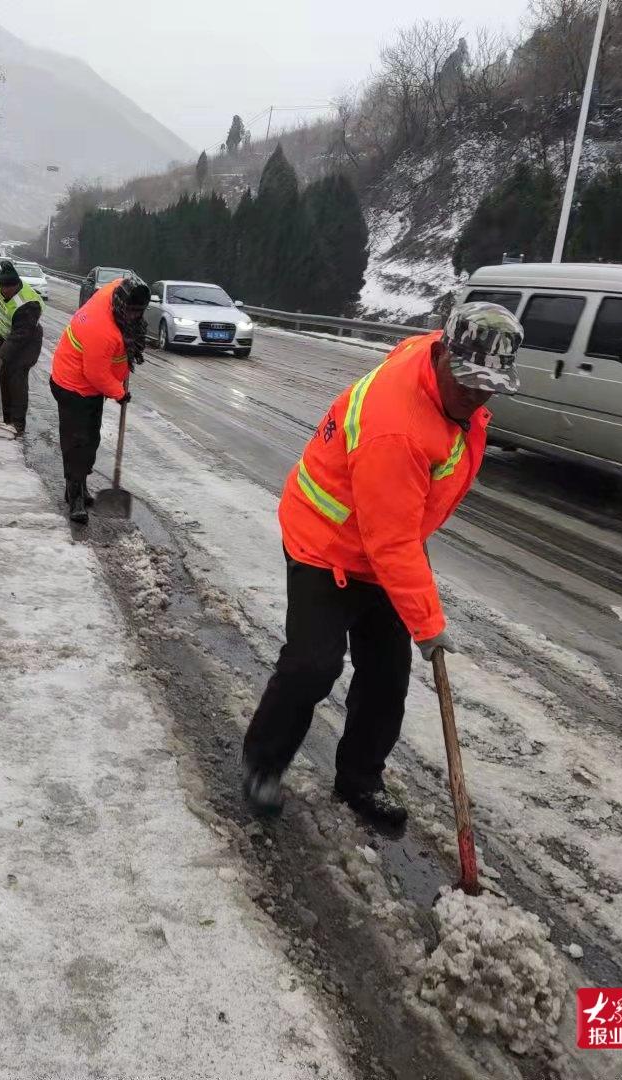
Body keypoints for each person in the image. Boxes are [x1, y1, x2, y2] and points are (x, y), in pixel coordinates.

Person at [241, 302, 524, 826]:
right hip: (323, 542)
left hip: (382, 538)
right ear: (442, 354)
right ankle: (262, 766)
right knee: (313, 664)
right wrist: (429, 625)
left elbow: (395, 534)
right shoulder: (398, 426)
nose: (476, 396)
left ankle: (359, 782)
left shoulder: (437, 362)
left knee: (387, 675)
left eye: (489, 387)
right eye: (466, 383)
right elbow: (391, 542)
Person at [49, 274, 149, 523]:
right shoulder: (101, 329)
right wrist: (119, 393)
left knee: (91, 439)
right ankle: (75, 498)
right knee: (76, 442)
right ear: (120, 305)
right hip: (72, 384)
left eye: (140, 313)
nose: (135, 317)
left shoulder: (119, 290)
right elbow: (95, 372)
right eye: (132, 312)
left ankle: (80, 487)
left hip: (92, 388)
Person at [0, 260, 45, 435]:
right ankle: (5, 417)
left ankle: (18, 423)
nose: (4, 292)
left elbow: (20, 335)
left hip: (27, 343)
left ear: (16, 286)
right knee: (2, 376)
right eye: (2, 288)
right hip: (5, 335)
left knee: (16, 378)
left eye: (8, 290)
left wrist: (2, 355)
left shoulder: (29, 303)